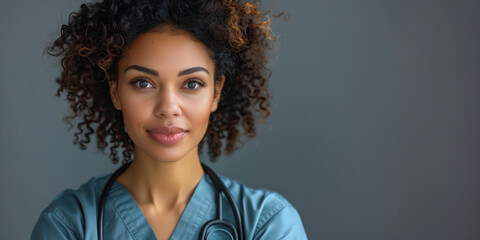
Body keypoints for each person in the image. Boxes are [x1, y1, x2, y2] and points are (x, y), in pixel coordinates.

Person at [31, 0, 307, 239]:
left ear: (216, 93)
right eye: (143, 83)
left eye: (192, 84)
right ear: (115, 92)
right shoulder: (68, 225)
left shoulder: (268, 223)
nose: (168, 108)